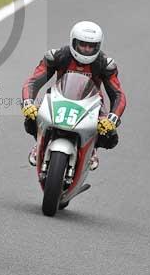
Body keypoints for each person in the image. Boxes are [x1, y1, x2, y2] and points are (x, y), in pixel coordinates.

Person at [21, 21, 126, 170]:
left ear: (98, 46)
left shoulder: (105, 64)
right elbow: (33, 81)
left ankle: (92, 149)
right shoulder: (58, 56)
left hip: (93, 104)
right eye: (82, 44)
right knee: (31, 118)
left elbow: (118, 94)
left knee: (110, 136)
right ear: (73, 42)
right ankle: (40, 142)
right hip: (59, 98)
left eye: (91, 46)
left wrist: (112, 118)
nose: (87, 49)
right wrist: (28, 102)